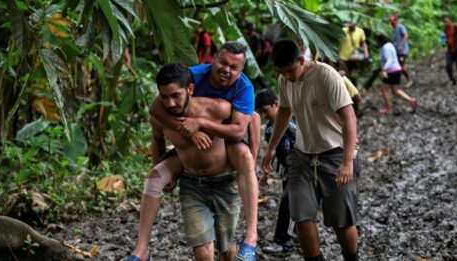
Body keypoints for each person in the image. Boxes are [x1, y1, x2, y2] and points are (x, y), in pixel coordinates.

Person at [130, 42, 260, 261]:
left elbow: (245, 126)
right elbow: (156, 116)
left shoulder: (238, 92)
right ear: (214, 59)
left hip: (224, 152)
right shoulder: (188, 77)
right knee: (154, 177)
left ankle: (251, 235)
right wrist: (189, 133)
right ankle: (141, 250)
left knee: (228, 250)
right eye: (223, 62)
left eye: (234, 67)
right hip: (191, 171)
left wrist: (200, 123)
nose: (226, 69)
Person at [262, 39, 360, 261]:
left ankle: (351, 257)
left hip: (336, 152)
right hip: (303, 156)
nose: (286, 76)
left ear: (300, 59)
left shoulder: (325, 75)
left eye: (289, 70)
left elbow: (349, 117)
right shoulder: (284, 80)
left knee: (341, 222)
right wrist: (271, 148)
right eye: (281, 72)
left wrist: (347, 162)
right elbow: (284, 113)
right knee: (301, 217)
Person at [142, 63, 241, 260]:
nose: (170, 104)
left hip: (225, 184)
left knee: (227, 249)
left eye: (175, 95)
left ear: (190, 89)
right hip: (192, 185)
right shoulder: (160, 117)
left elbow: (251, 120)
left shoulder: (218, 108)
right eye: (164, 97)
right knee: (202, 251)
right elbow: (157, 139)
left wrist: (250, 166)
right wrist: (161, 168)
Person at [255, 88, 297, 254]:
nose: (264, 115)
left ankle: (284, 241)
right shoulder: (270, 128)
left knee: (289, 203)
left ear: (276, 104)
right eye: (260, 113)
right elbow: (270, 154)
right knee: (291, 203)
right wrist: (265, 175)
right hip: (287, 169)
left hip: (300, 168)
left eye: (265, 110)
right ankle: (293, 236)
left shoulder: (292, 120)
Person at [376, 34, 417, 115]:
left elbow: (390, 59)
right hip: (397, 69)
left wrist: (384, 69)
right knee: (395, 90)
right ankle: (411, 100)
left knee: (384, 90)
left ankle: (389, 109)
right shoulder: (390, 45)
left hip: (391, 71)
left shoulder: (385, 47)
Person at [338, 21, 370, 86]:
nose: (349, 27)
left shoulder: (360, 31)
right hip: (342, 57)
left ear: (355, 25)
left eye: (351, 26)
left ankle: (354, 91)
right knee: (344, 75)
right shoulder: (343, 30)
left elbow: (364, 43)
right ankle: (345, 92)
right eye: (348, 26)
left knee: (353, 75)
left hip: (354, 57)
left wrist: (366, 54)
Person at [389, 15, 414, 87]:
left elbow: (406, 35)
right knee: (398, 66)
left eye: (393, 21)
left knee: (402, 66)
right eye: (391, 22)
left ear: (396, 21)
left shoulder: (400, 27)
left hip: (403, 51)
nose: (392, 23)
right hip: (397, 51)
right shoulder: (393, 30)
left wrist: (401, 45)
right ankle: (398, 81)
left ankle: (409, 80)